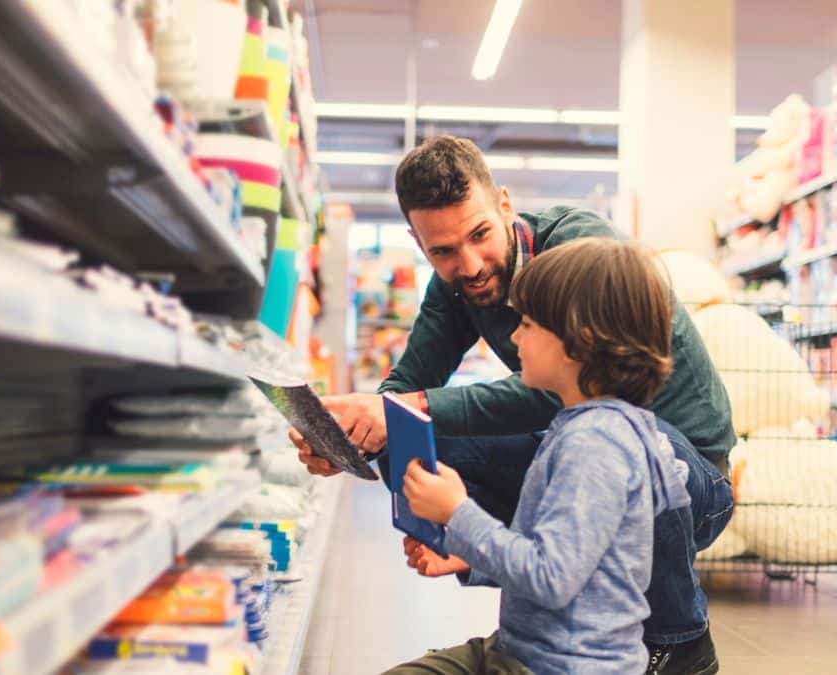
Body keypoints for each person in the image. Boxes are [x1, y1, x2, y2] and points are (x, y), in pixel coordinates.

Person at [292, 135, 735, 674]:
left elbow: (564, 392)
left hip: (689, 479)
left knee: (634, 448)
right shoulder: (453, 285)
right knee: (410, 437)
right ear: (418, 242)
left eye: (479, 234)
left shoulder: (580, 253)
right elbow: (410, 384)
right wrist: (354, 435)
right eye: (444, 251)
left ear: (504, 204)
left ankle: (680, 639)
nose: (471, 264)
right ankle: (501, 570)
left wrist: (407, 412)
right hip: (574, 451)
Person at [383, 238, 693, 675]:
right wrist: (470, 554)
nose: (513, 336)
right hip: (531, 649)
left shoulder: (595, 445)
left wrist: (457, 513)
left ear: (579, 342)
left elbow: (551, 577)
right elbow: (579, 564)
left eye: (527, 324)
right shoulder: (601, 427)